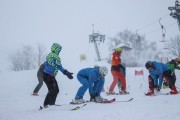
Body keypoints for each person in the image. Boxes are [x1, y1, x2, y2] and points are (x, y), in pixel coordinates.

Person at [43, 43, 73, 107]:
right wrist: (67, 73)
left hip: (47, 75)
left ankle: (50, 104)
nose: (59, 51)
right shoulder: (56, 57)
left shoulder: (49, 55)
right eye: (59, 50)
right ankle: (47, 104)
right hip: (49, 75)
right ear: (56, 50)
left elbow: (46, 64)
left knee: (55, 90)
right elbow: (59, 66)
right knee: (53, 90)